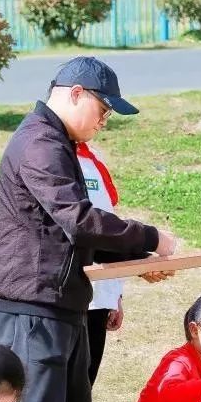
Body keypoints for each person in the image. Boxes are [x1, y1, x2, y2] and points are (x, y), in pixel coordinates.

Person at [0, 56, 177, 402]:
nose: (104, 120)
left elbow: (71, 235)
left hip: (66, 304)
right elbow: (80, 221)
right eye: (103, 109)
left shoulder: (59, 144)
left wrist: (141, 260)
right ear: (76, 94)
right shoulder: (40, 143)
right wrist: (150, 237)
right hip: (35, 309)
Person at [76, 140, 125, 386]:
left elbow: (109, 228)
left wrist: (116, 296)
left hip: (100, 296)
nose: (102, 123)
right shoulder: (52, 158)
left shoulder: (94, 158)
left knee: (86, 382)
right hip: (69, 296)